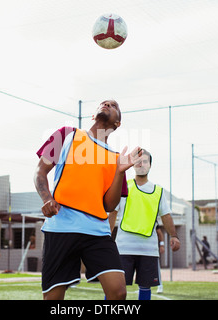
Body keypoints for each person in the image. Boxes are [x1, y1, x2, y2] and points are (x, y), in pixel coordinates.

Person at [34, 99, 142, 300]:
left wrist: (119, 172)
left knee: (118, 292)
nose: (107, 104)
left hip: (96, 231)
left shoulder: (117, 158)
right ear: (93, 115)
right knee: (53, 298)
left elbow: (109, 205)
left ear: (118, 123)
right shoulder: (66, 134)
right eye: (104, 103)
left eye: (114, 105)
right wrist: (47, 199)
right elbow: (40, 172)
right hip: (61, 226)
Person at [109, 149, 180, 300]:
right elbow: (112, 213)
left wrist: (174, 236)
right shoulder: (124, 187)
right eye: (138, 161)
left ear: (150, 165)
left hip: (149, 250)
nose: (141, 164)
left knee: (145, 288)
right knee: (115, 288)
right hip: (123, 248)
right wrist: (106, 239)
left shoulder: (158, 191)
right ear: (133, 164)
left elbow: (166, 215)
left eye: (145, 161)